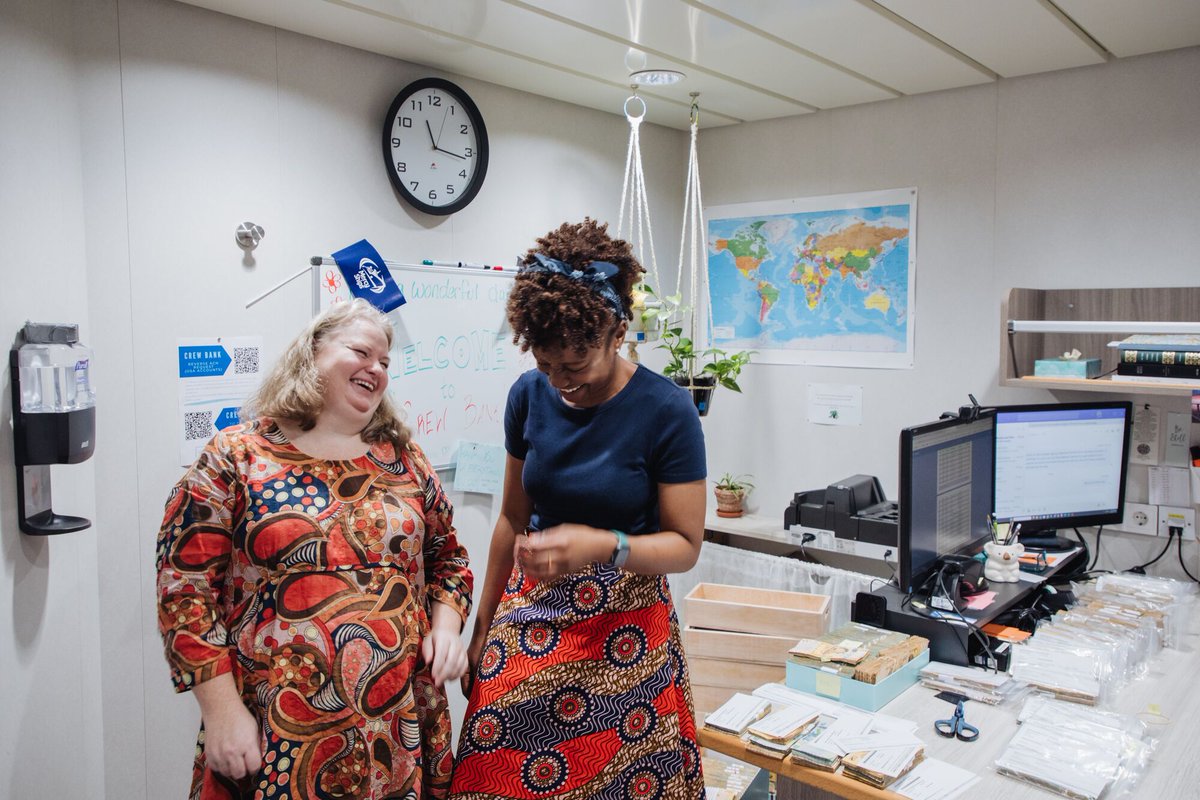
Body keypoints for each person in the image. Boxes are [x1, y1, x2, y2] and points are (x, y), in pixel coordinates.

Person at [156, 299, 473, 800]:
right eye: (362, 351)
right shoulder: (235, 455)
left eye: (386, 362)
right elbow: (184, 590)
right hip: (273, 729)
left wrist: (447, 629)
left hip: (396, 727)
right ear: (311, 353)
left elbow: (449, 560)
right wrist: (220, 711)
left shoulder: (405, 461)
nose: (377, 368)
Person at [449, 219, 707, 799]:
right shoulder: (528, 395)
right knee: (493, 770)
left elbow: (686, 546)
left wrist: (603, 545)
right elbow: (513, 518)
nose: (560, 381)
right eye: (546, 363)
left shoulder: (667, 412)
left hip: (627, 627)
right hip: (534, 609)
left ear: (616, 331)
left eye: (575, 363)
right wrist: (483, 628)